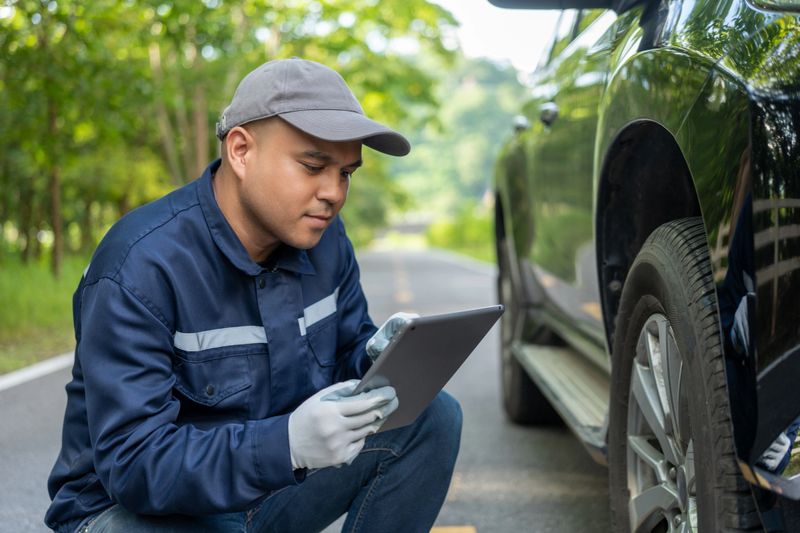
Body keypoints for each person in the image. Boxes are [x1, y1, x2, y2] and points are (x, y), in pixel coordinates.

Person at [45, 58, 463, 533]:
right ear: (241, 151)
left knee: (431, 417)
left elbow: (345, 360)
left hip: (267, 488)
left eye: (346, 173)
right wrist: (286, 445)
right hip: (132, 511)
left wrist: (375, 359)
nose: (334, 192)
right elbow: (134, 465)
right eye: (313, 166)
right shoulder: (141, 266)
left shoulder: (325, 241)